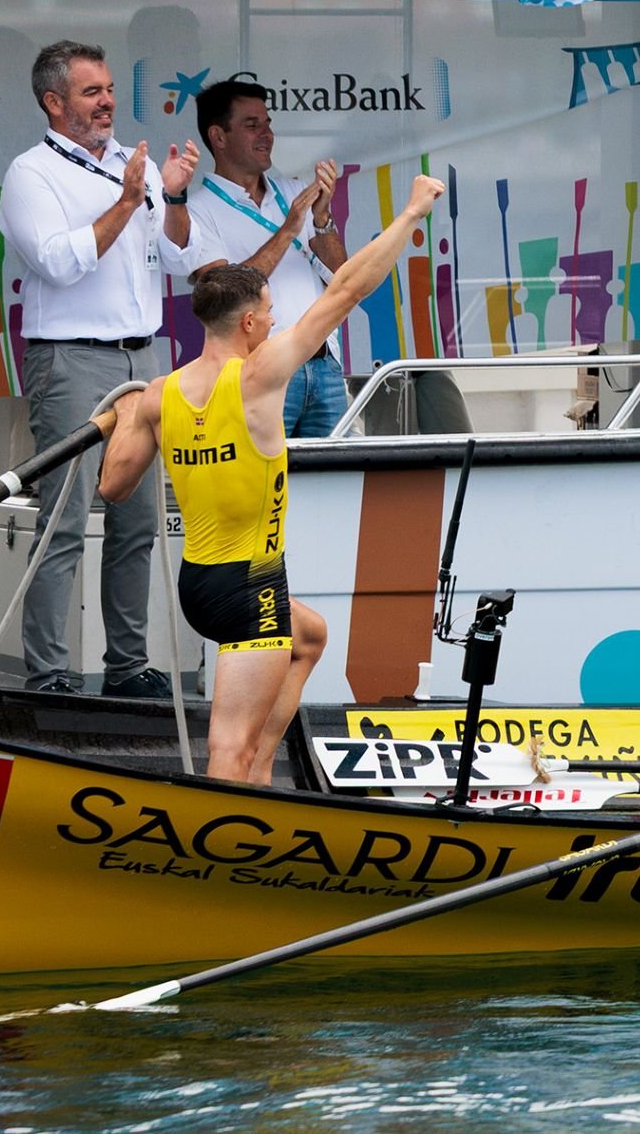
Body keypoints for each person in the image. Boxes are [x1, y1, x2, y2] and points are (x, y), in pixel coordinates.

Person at [91, 174, 444, 780]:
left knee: (309, 635)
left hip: (198, 585)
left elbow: (111, 488)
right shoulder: (259, 377)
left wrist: (127, 420)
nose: (277, 323)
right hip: (250, 592)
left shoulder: (158, 394)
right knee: (226, 746)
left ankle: (256, 777)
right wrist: (411, 213)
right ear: (250, 324)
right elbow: (346, 290)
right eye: (272, 314)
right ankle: (218, 837)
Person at [1, 39, 201, 698]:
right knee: (62, 519)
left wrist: (171, 197)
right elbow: (58, 261)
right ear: (54, 102)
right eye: (92, 91)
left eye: (110, 87)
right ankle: (51, 673)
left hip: (142, 357)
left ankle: (127, 666)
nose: (108, 100)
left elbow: (181, 259)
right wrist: (127, 201)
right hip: (71, 359)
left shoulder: (129, 164)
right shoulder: (30, 174)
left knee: (139, 519)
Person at [183, 78, 353, 439]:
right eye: (251, 125)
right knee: (263, 485)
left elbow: (343, 276)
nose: (266, 134)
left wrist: (321, 220)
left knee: (335, 484)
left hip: (323, 366)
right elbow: (223, 297)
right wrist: (289, 228)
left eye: (268, 123)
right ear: (218, 136)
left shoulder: (294, 191)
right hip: (260, 370)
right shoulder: (197, 212)